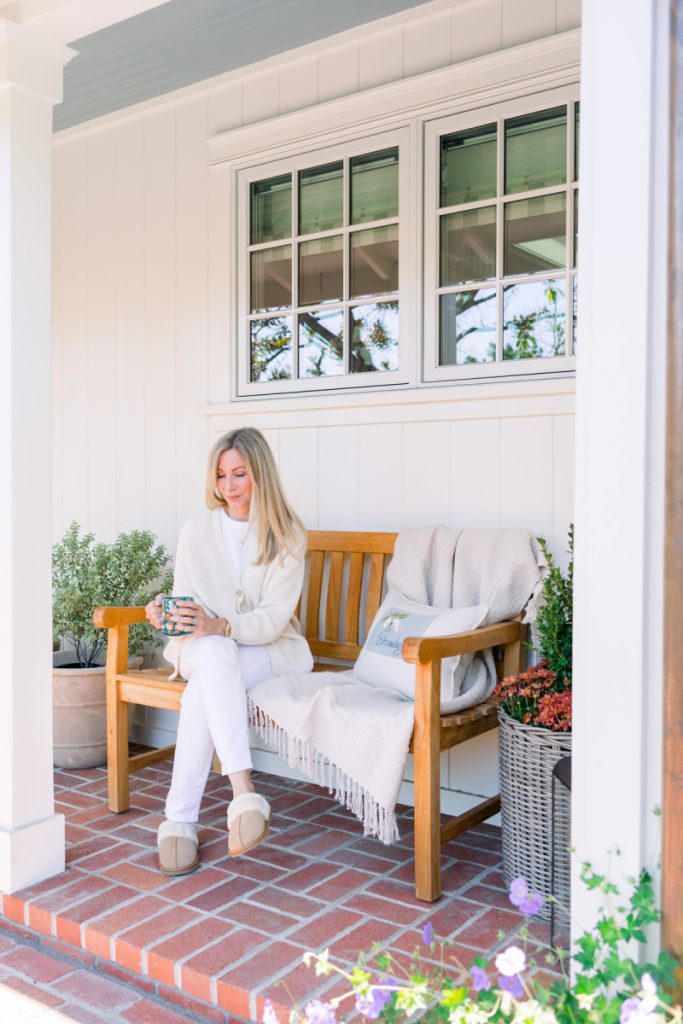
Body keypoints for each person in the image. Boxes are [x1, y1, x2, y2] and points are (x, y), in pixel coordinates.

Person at [146, 427, 312, 875]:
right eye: (221, 475)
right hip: (200, 645)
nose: (229, 486)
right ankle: (243, 794)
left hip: (268, 647)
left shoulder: (288, 536)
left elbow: (276, 617)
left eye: (239, 474)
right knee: (215, 656)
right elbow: (184, 594)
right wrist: (165, 611)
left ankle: (179, 821)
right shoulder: (196, 529)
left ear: (261, 474)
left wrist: (222, 625)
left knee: (208, 680)